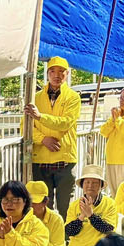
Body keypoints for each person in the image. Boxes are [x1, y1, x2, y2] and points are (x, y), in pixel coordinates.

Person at [27, 57, 82, 214]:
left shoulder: (73, 97)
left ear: (67, 74)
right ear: (47, 74)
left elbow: (65, 123)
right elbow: (25, 126)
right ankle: (45, 238)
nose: (57, 75)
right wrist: (42, 139)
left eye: (61, 72)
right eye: (52, 71)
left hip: (64, 159)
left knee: (66, 206)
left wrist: (40, 117)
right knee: (42, 207)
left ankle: (65, 237)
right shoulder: (35, 97)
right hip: (41, 159)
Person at [30, 181, 85, 246]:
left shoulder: (55, 219)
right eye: (29, 202)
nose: (31, 206)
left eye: (35, 202)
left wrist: (38, 241)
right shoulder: (21, 218)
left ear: (45, 202)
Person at [64, 165, 118, 246]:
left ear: (101, 186)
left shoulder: (110, 203)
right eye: (87, 182)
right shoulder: (74, 205)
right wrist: (82, 216)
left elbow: (108, 229)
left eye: (95, 183)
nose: (90, 186)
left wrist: (91, 215)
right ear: (82, 185)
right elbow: (69, 231)